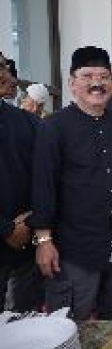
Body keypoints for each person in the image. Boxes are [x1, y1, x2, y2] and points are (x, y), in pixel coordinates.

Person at [30, 46, 112, 320]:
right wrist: (43, 241)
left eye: (104, 76)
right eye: (87, 76)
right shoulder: (54, 127)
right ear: (72, 83)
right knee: (70, 326)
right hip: (73, 251)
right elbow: (43, 186)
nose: (97, 83)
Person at [0, 63, 42, 313]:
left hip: (28, 240)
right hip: (10, 232)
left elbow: (49, 175)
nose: (8, 76)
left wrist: (31, 220)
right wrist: (6, 229)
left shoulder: (27, 122)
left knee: (27, 328)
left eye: (5, 67)